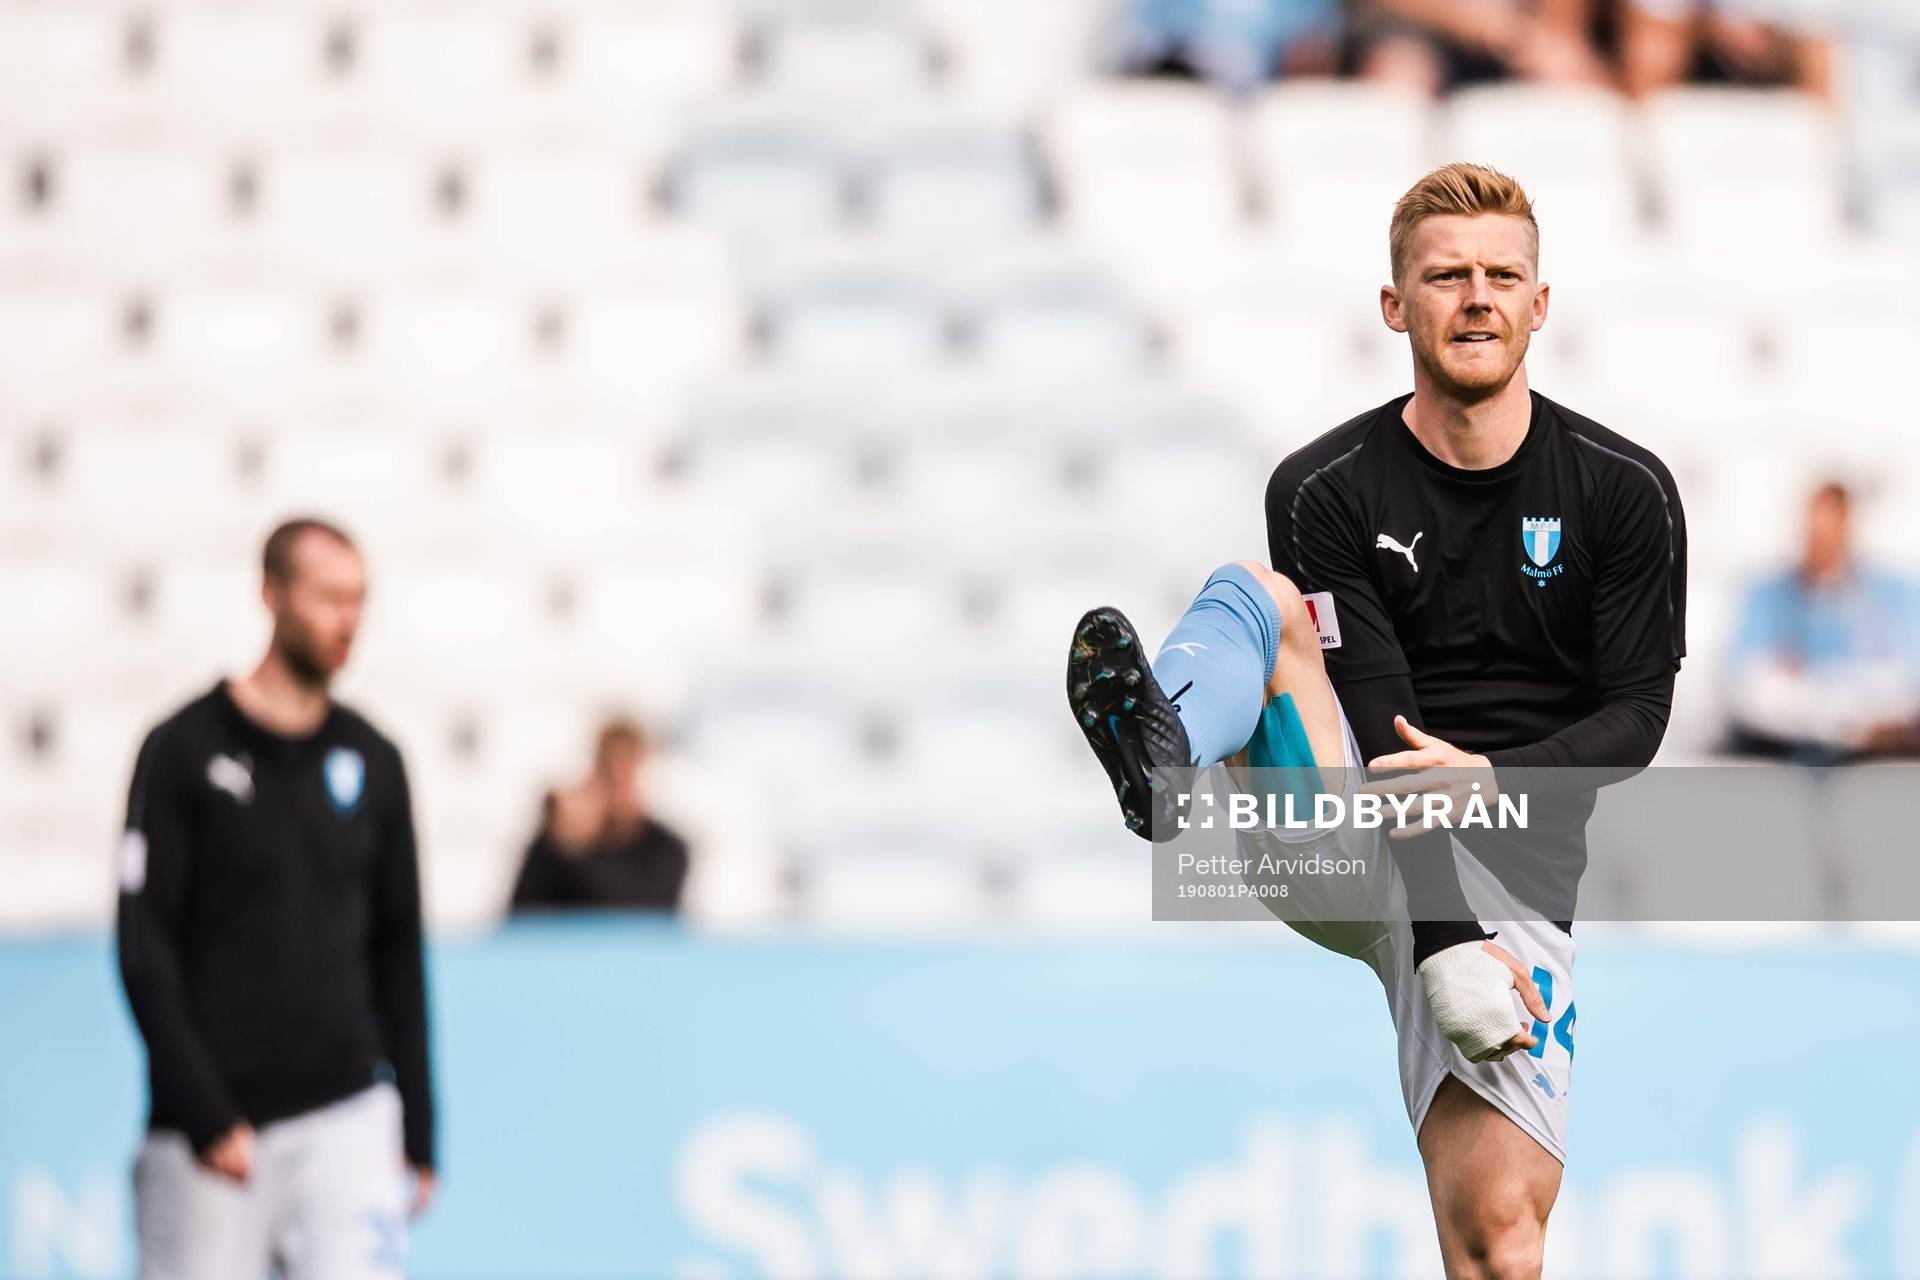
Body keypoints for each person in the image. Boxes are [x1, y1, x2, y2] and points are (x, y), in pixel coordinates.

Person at [1066, 163, 1685, 1277]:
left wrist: (1493, 775)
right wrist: (1445, 939)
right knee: (1259, 598)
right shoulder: (1327, 488)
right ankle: (1163, 756)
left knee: (1499, 1241)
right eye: (1447, 276)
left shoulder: (1623, 490)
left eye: (1503, 274)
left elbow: (1637, 715)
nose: (1477, 296)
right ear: (1396, 305)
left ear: (1542, 304)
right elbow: (1383, 719)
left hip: (1517, 879)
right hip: (1345, 830)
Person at [116, 517, 435, 1279]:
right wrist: (204, 1111)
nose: (346, 620)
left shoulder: (375, 759)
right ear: (272, 595)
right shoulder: (183, 751)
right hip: (214, 1136)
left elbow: (398, 950)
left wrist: (420, 1126)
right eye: (328, 597)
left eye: (358, 600)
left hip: (346, 1119)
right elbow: (142, 944)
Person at [1722, 481, 1920, 761]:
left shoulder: (1892, 594)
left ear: (1849, 528)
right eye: (1813, 532)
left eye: (1830, 532)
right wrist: (1832, 717)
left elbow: (1905, 681)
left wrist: (1844, 707)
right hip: (1782, 747)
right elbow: (1749, 684)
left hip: (1872, 752)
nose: (1820, 544)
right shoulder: (1768, 595)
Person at [509, 717, 691, 913]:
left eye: (627, 769)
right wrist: (558, 839)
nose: (618, 782)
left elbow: (641, 910)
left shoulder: (667, 848)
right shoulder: (558, 842)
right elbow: (521, 915)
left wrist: (582, 850)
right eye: (608, 770)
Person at [1348, 0, 1613, 97]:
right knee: (1400, 77)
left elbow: (1564, 28)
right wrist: (1489, 25)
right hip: (1411, 31)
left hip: (1519, 32)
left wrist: (1554, 43)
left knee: (1571, 80)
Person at [1619, 0, 1834, 99]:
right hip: (1697, 47)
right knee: (1657, 45)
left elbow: (1818, 28)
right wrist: (1709, 27)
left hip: (1780, 55)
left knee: (1820, 52)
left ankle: (1821, 156)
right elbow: (1657, 18)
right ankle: (1648, 147)